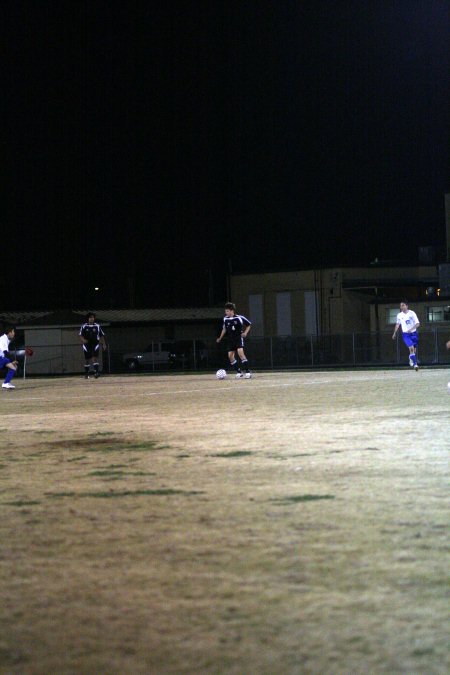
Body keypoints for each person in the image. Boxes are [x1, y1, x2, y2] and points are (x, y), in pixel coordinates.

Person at [216, 302, 252, 378]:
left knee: (240, 353)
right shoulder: (225, 319)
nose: (226, 313)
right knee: (230, 356)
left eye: (227, 311)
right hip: (230, 339)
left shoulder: (240, 318)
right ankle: (239, 372)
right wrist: (220, 338)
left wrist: (245, 332)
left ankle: (248, 372)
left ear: (232, 311)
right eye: (226, 311)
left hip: (238, 338)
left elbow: (249, 325)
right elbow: (224, 329)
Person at [392, 300, 420, 371]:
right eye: (401, 306)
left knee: (414, 350)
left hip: (414, 334)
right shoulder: (399, 315)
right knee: (411, 348)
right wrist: (394, 332)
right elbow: (398, 324)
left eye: (403, 305)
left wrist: (411, 329)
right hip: (405, 334)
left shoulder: (412, 313)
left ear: (407, 306)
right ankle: (415, 364)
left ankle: (411, 358)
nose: (401, 307)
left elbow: (418, 324)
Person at [79, 312, 106, 379]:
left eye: (93, 317)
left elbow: (101, 335)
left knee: (94, 358)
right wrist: (83, 340)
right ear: (88, 318)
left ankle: (96, 373)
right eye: (90, 317)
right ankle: (86, 374)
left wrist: (104, 344)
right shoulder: (84, 326)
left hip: (95, 344)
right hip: (87, 345)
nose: (92, 319)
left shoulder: (97, 326)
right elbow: (80, 335)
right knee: (87, 360)